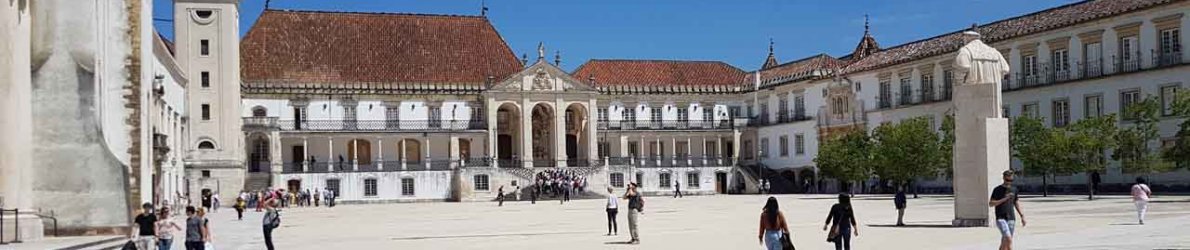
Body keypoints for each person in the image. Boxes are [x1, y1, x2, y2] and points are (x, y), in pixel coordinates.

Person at [989, 170, 1026, 250]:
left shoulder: (1014, 189)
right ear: (1003, 178)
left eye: (1011, 180)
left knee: (1005, 241)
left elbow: (1016, 203)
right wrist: (1004, 198)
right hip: (1001, 218)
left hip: (1011, 218)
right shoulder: (997, 189)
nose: (1009, 182)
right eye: (1007, 180)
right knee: (1008, 239)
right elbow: (991, 203)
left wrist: (1022, 216)